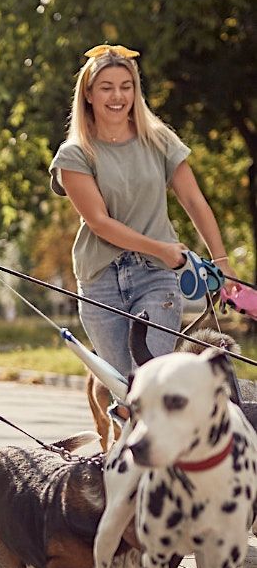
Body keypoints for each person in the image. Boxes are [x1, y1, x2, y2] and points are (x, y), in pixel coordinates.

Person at [51, 44, 236, 374]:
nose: (117, 96)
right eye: (106, 88)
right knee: (125, 391)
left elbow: (194, 201)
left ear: (136, 91)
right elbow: (98, 222)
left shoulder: (159, 140)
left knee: (150, 379)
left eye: (126, 86)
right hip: (100, 280)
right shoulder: (75, 153)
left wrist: (222, 263)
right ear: (89, 94)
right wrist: (161, 248)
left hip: (155, 276)